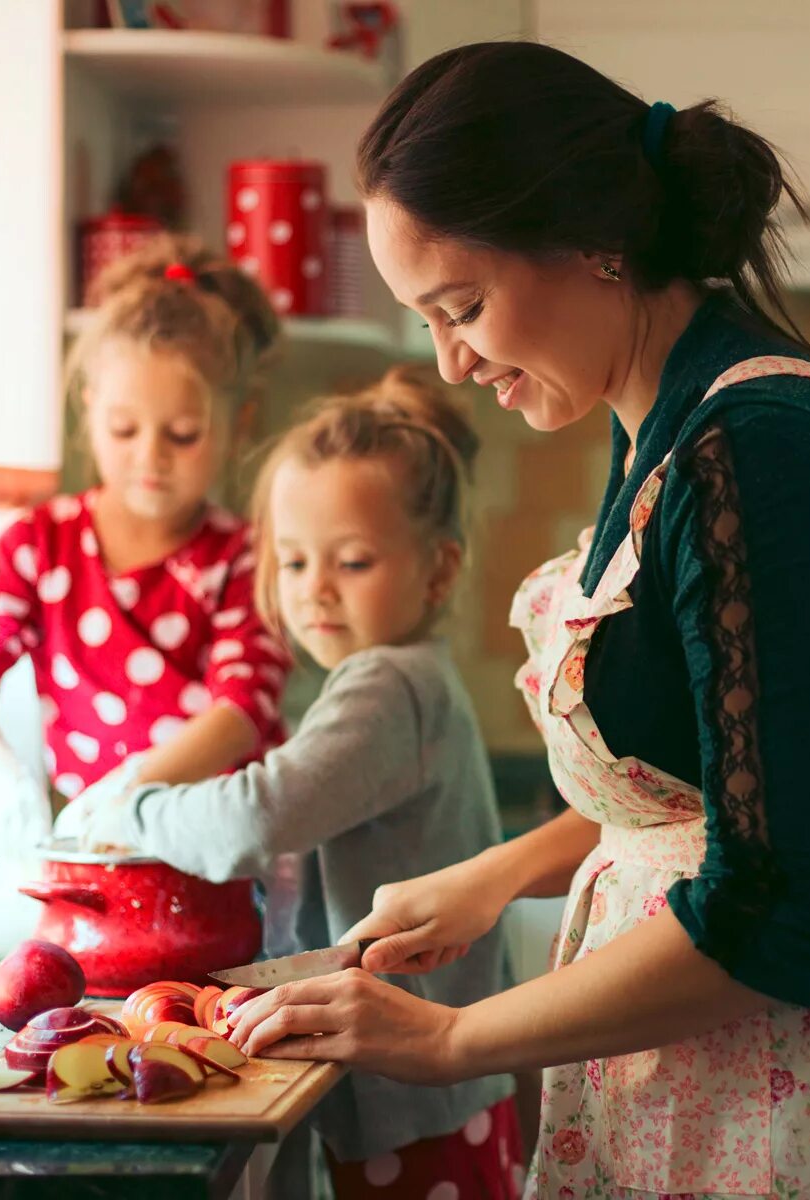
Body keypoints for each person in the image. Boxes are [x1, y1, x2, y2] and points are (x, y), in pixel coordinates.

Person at [230, 40, 810, 1198]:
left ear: (596, 243)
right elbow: (734, 777)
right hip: (756, 1096)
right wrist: (497, 876)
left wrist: (439, 1043)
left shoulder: (758, 454)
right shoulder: (667, 428)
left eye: (465, 306)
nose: (452, 359)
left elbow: (775, 916)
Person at [57, 369, 523, 1199]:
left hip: (414, 1098)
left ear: (440, 569)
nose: (314, 588)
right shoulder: (396, 677)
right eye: (295, 559)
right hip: (415, 1087)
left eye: (351, 561)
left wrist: (130, 805)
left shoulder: (388, 687)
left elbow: (258, 814)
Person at [0, 235, 292, 867]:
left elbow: (241, 711)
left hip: (224, 857)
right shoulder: (38, 544)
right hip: (96, 853)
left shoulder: (245, 558)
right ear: (91, 409)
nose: (149, 456)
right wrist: (1, 776)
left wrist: (129, 792)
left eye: (182, 434)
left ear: (239, 423)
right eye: (125, 430)